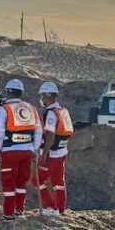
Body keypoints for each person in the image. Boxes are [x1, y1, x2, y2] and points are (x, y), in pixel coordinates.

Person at [0, 79, 42, 220]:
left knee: (9, 183)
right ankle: (19, 210)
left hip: (10, 151)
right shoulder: (31, 108)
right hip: (27, 151)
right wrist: (35, 149)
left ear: (8, 92)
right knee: (21, 182)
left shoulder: (4, 109)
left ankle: (8, 214)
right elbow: (38, 131)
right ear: (21, 93)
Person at [35, 81, 73, 217]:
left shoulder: (51, 114)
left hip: (52, 154)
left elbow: (50, 135)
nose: (42, 99)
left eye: (43, 96)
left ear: (47, 96)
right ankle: (60, 209)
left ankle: (51, 207)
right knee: (58, 182)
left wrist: (44, 154)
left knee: (36, 179)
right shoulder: (63, 111)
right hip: (63, 151)